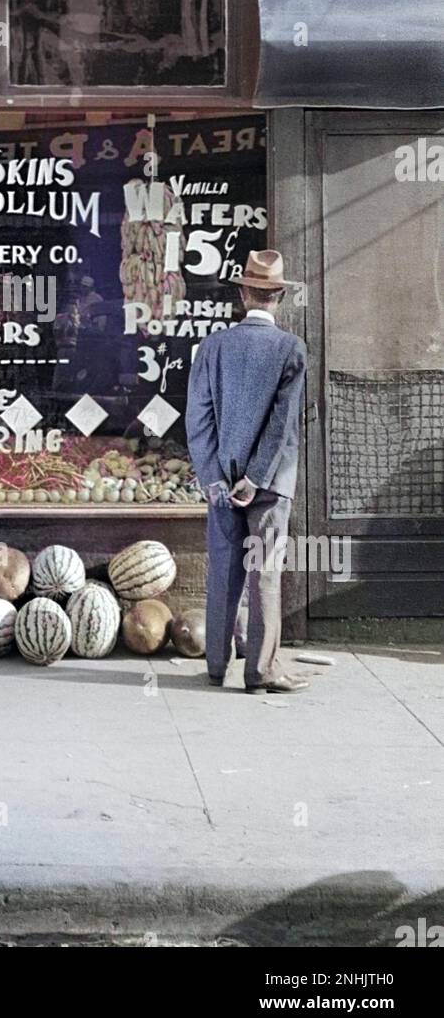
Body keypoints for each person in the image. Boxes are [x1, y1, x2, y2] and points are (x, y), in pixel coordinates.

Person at [185, 250, 309, 694]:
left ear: (242, 293)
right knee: (264, 571)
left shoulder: (212, 347)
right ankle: (261, 671)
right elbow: (282, 424)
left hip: (220, 479)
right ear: (279, 297)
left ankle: (217, 665)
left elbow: (197, 419)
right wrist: (255, 478)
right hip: (271, 484)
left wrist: (214, 476)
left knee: (222, 569)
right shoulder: (291, 349)